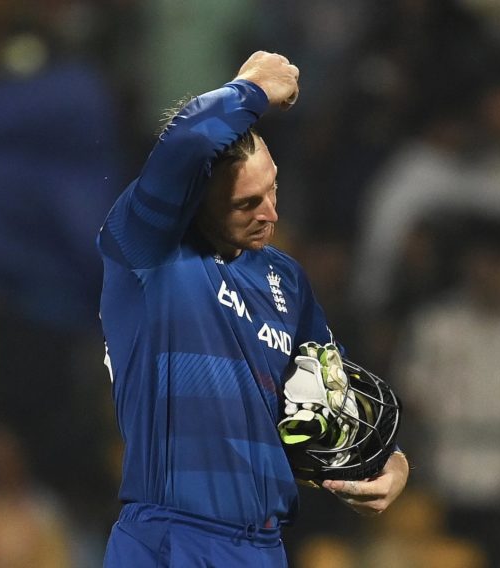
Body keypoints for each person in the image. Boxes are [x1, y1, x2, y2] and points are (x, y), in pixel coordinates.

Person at [96, 51, 408, 567]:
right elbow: (186, 142)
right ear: (195, 199)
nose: (272, 214)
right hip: (170, 539)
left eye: (274, 189)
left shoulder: (285, 278)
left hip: (263, 549)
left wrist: (389, 463)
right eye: (247, 204)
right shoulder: (147, 252)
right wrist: (252, 88)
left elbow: (337, 395)